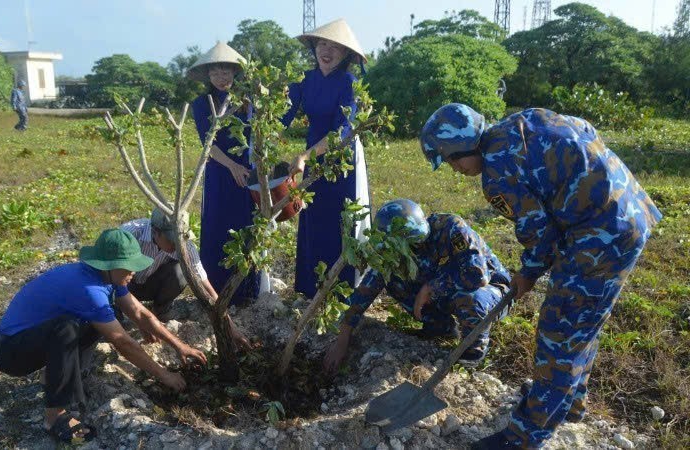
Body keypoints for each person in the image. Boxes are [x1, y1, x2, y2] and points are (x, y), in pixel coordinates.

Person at [419, 104, 662, 449]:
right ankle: (569, 404)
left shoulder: (497, 174)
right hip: (628, 210)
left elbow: (539, 234)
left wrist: (528, 272)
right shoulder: (524, 121)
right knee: (583, 323)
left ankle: (524, 436)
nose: (456, 169)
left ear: (464, 147)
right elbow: (584, 130)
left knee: (559, 331)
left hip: (599, 234)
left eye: (453, 160)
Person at [0, 229, 208, 444]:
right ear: (110, 265)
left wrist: (179, 346)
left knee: (100, 319)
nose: (134, 271)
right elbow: (122, 341)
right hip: (12, 351)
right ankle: (54, 418)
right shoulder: (89, 289)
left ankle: (65, 378)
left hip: (36, 338)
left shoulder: (108, 279)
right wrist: (164, 375)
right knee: (67, 328)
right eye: (129, 265)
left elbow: (139, 312)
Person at [323, 199, 512, 373]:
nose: (415, 248)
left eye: (417, 242)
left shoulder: (451, 228)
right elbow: (367, 288)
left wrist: (431, 287)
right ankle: (440, 327)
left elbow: (477, 275)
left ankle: (471, 355)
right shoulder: (393, 251)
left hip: (493, 291)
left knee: (471, 298)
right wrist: (343, 338)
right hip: (446, 290)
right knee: (394, 281)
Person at [281, 18, 372, 299]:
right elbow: (280, 118)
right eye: (322, 43)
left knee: (340, 221)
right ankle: (311, 289)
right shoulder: (304, 81)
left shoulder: (349, 83)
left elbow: (341, 131)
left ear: (346, 55)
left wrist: (304, 155)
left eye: (335, 47)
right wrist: (262, 143)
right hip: (310, 157)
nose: (327, 51)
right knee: (313, 216)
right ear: (314, 47)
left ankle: (341, 290)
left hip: (341, 159)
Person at [186, 41, 266, 306]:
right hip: (220, 173)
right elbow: (207, 143)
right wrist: (232, 166)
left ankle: (246, 291)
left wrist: (252, 167)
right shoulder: (201, 104)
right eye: (216, 73)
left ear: (235, 73)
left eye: (227, 72)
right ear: (208, 75)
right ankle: (216, 290)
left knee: (247, 225)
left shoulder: (247, 102)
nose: (222, 78)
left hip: (248, 171)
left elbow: (257, 136)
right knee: (218, 227)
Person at [120, 209, 251, 349]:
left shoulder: (184, 244)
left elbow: (204, 283)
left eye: (179, 239)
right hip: (122, 285)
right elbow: (113, 280)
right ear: (155, 231)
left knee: (182, 271)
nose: (176, 245)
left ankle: (161, 309)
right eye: (171, 240)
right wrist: (140, 320)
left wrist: (230, 327)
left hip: (149, 283)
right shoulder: (130, 234)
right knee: (117, 323)